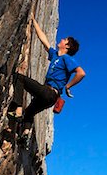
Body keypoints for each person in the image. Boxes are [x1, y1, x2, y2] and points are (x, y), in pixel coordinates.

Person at [9, 13, 86, 145]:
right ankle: (25, 135)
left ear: (67, 46)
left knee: (19, 78)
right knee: (29, 113)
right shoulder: (56, 55)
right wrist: (33, 21)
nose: (61, 39)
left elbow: (81, 73)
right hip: (49, 98)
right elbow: (43, 39)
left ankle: (18, 109)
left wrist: (68, 86)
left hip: (50, 92)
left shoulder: (66, 58)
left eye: (64, 39)